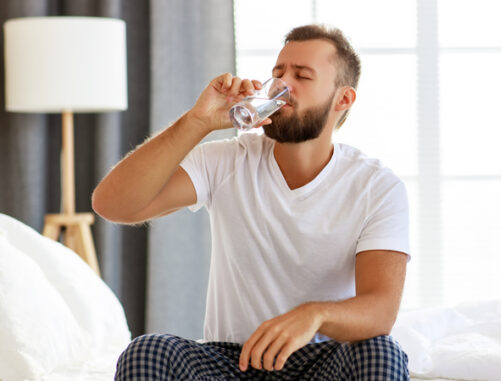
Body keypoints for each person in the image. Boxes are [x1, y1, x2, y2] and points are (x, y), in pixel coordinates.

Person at [92, 24, 410, 380]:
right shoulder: (225, 161)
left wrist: (313, 315)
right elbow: (112, 204)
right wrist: (198, 122)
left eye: (302, 76)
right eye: (278, 73)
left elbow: (381, 310)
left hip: (321, 358)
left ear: (343, 99)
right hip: (231, 361)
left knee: (381, 351)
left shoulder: (376, 186)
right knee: (148, 351)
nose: (283, 86)